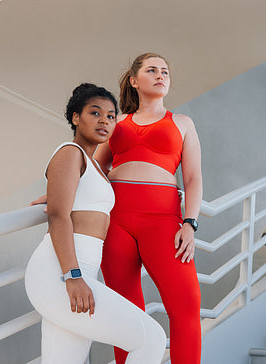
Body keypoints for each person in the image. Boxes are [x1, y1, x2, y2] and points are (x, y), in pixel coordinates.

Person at [25, 83, 166, 364]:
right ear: (76, 117)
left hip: (80, 271)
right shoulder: (70, 152)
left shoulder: (93, 165)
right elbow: (58, 215)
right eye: (95, 113)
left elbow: (75, 198)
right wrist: (73, 276)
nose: (104, 121)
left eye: (111, 116)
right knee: (151, 338)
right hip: (60, 272)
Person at [93, 53, 203, 364]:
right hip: (117, 219)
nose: (160, 75)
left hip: (164, 220)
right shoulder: (116, 123)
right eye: (151, 70)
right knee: (125, 310)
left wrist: (190, 223)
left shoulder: (182, 123)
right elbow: (93, 167)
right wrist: (57, 192)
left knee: (186, 305)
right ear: (134, 80)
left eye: (165, 71)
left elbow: (193, 178)